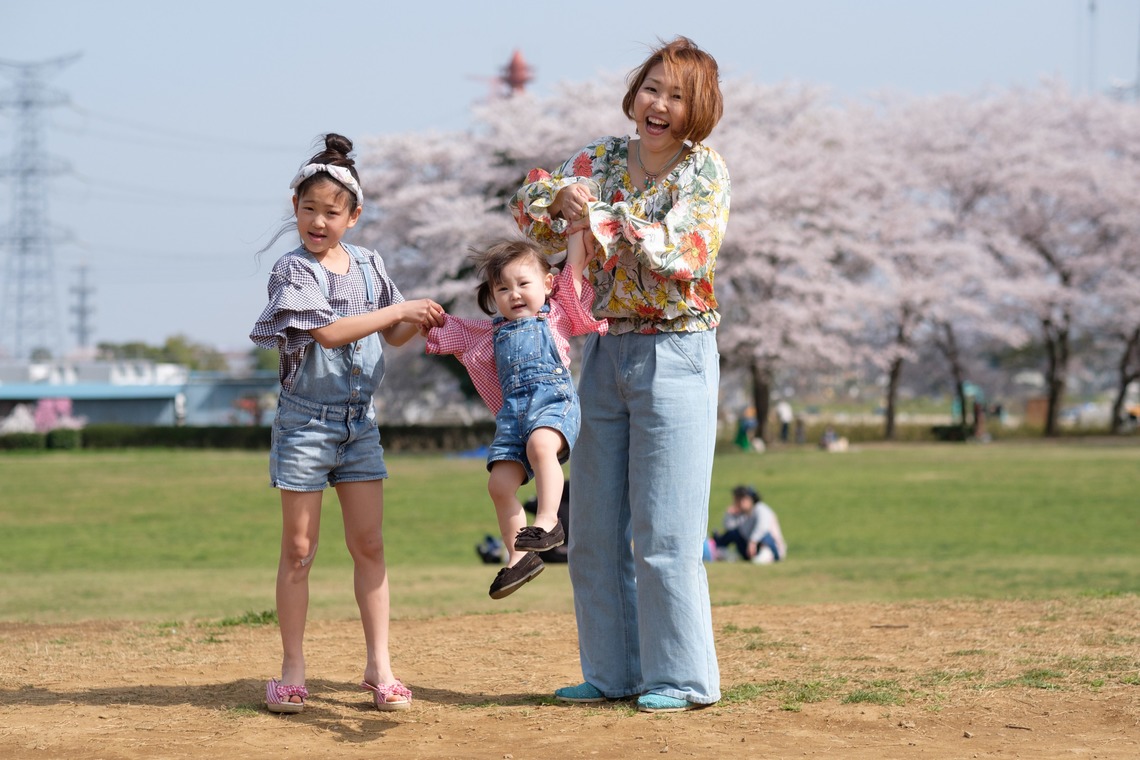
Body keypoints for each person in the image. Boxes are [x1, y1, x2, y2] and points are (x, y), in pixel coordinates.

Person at [512, 36, 729, 713]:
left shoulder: (705, 173)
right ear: (635, 93)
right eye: (651, 89)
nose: (658, 105)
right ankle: (612, 673)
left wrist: (600, 215)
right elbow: (529, 206)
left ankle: (684, 679)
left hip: (678, 353)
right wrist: (559, 198)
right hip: (603, 351)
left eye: (676, 96)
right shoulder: (601, 159)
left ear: (699, 111)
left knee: (664, 533)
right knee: (597, 530)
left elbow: (683, 252)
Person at [250, 134, 445, 714]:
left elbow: (395, 333)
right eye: (308, 209)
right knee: (300, 549)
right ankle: (291, 670)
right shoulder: (292, 270)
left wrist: (422, 319)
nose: (317, 220)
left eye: (331, 212)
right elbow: (330, 333)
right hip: (305, 424)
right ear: (295, 209)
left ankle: (379, 667)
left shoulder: (370, 265)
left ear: (353, 217)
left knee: (370, 544)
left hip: (360, 424)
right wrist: (399, 311)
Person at [425, 233, 606, 599]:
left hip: (553, 404)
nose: (515, 294)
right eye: (503, 288)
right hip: (513, 418)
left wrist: (574, 232)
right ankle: (519, 557)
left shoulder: (557, 314)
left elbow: (573, 272)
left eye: (524, 283)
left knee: (542, 447)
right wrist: (420, 314)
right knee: (499, 485)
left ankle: (548, 522)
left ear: (547, 284)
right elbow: (449, 329)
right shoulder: (489, 333)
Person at [709, 485, 787, 563]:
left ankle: (766, 556)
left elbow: (762, 527)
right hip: (750, 549)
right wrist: (729, 514)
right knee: (733, 533)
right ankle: (720, 552)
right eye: (737, 499)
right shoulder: (742, 515)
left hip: (771, 547)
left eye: (742, 499)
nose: (739, 502)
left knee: (765, 535)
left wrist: (752, 541)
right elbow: (729, 527)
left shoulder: (761, 508)